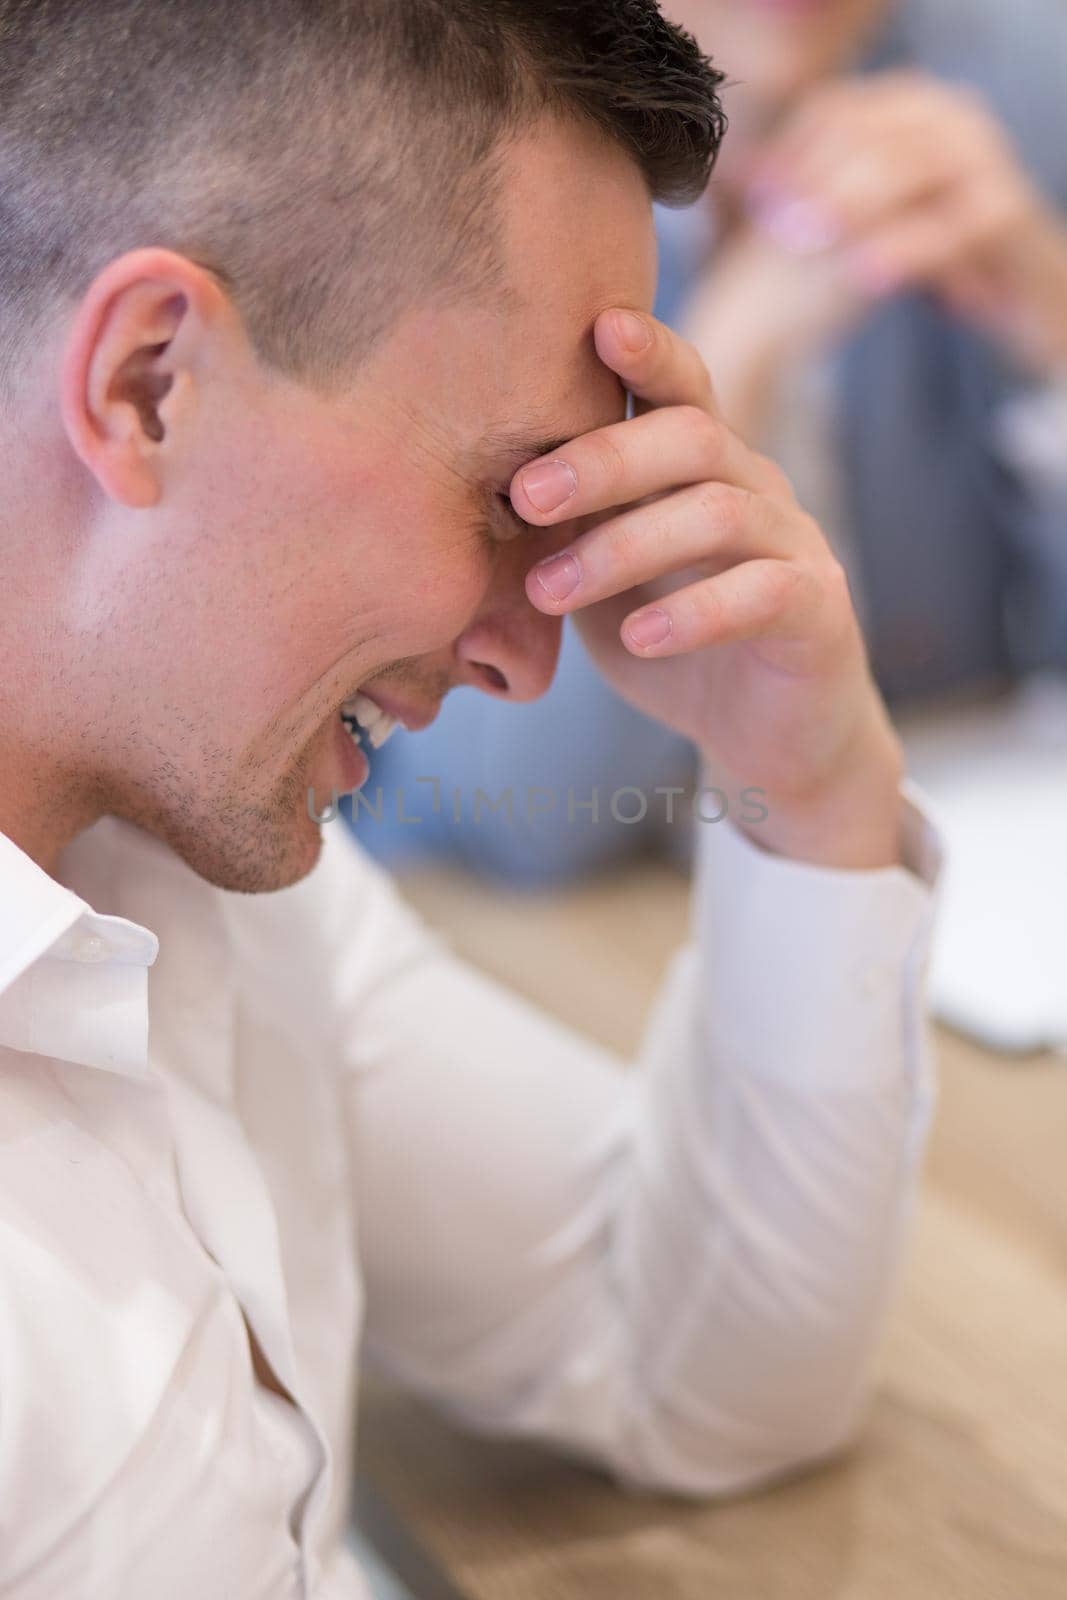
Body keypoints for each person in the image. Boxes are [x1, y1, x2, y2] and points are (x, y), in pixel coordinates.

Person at [0, 3, 939, 1594]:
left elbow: (688, 1366)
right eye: (508, 494)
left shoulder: (198, 872)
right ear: (149, 381)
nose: (532, 654)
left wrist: (805, 777)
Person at [361, 0, 1067, 884]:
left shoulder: (1010, 85)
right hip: (581, 929)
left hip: (958, 885)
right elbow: (491, 812)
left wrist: (1054, 327)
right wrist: (729, 361)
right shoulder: (464, 132)